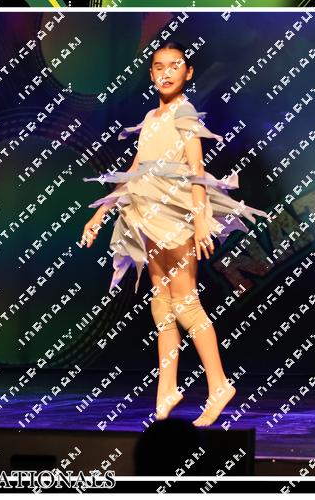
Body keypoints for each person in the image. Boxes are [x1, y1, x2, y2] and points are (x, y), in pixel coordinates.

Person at [81, 41, 267, 427]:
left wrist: (199, 220)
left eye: (174, 65)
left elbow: (197, 169)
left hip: (177, 214)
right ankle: (166, 388)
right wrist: (100, 212)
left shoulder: (184, 113)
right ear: (151, 73)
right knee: (161, 301)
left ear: (188, 72)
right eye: (158, 66)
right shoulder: (151, 117)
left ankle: (219, 384)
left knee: (185, 302)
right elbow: (134, 170)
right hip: (147, 214)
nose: (166, 72)